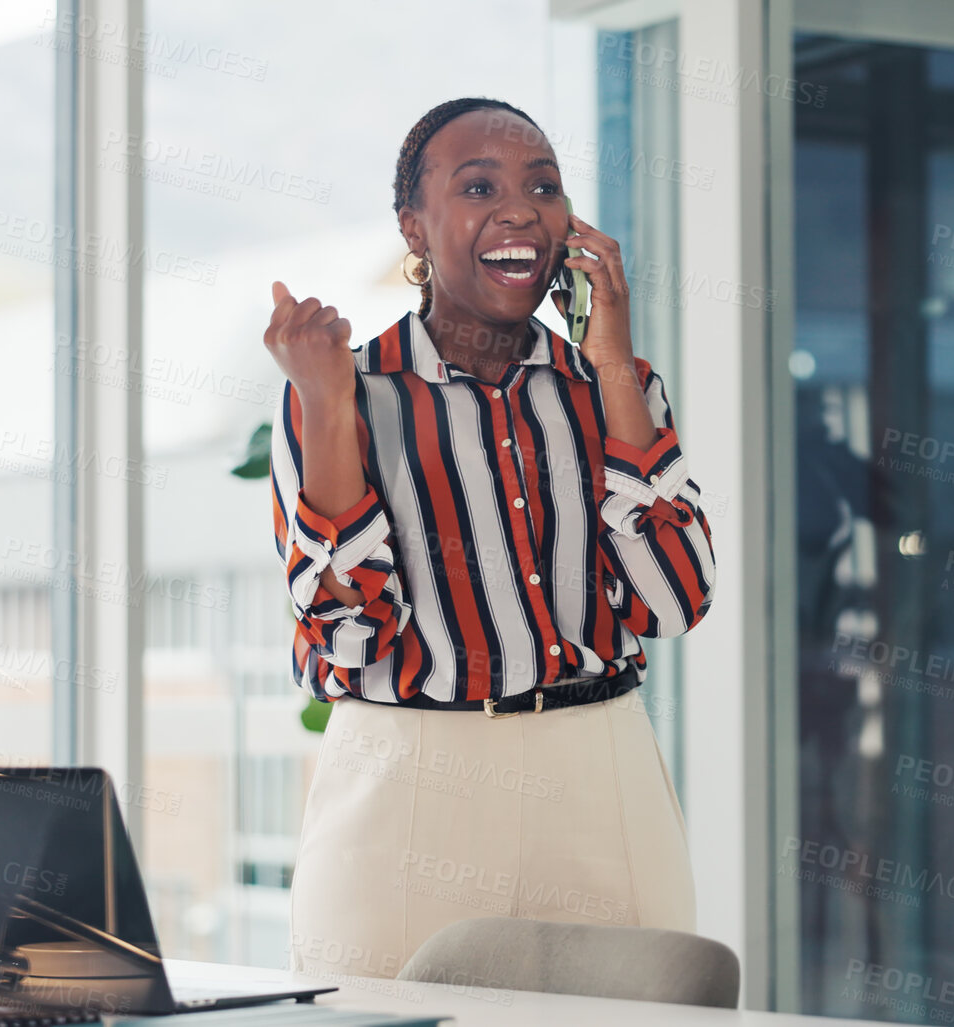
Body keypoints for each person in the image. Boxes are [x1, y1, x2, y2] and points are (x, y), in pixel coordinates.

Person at [263, 96, 717, 980]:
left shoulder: (616, 385)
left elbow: (671, 600)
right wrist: (325, 407)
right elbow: (352, 635)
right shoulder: (340, 394)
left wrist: (615, 363)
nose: (519, 209)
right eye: (479, 186)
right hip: (406, 785)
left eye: (542, 187)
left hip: (600, 772)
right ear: (414, 227)